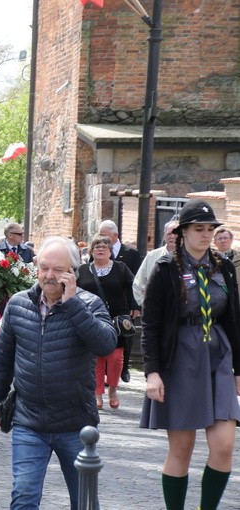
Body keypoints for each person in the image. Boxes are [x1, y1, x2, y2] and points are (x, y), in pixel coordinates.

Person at [0, 236, 117, 510]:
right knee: (23, 498)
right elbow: (2, 358)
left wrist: (72, 305)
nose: (49, 275)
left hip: (75, 423)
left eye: (58, 269)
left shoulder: (89, 304)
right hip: (29, 421)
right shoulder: (19, 304)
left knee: (84, 501)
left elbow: (105, 344)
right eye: (44, 267)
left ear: (73, 272)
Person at [140, 199, 240, 510]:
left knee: (224, 446)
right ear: (183, 232)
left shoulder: (223, 267)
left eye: (211, 229)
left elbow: (234, 317)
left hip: (218, 354)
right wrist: (152, 372)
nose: (207, 234)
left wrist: (238, 368)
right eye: (199, 229)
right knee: (182, 449)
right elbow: (151, 325)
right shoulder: (165, 269)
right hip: (181, 356)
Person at [76, 235, 138, 410]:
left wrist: (135, 306)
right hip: (91, 317)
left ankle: (113, 389)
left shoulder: (121, 268)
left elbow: (134, 287)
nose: (100, 249)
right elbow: (75, 291)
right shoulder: (83, 270)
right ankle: (97, 394)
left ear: (111, 251)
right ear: (91, 251)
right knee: (96, 357)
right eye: (97, 246)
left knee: (116, 358)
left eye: (104, 247)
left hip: (117, 318)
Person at [97, 219, 141, 382]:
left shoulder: (131, 254)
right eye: (100, 235)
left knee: (125, 334)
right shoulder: (97, 251)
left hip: (123, 303)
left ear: (115, 235)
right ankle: (106, 373)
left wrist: (136, 305)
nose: (102, 238)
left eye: (105, 235)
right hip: (102, 302)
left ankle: (123, 369)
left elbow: (136, 282)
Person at [133, 221, 178, 306]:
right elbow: (138, 284)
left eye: (176, 233)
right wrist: (147, 304)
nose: (172, 236)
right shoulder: (152, 256)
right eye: (169, 234)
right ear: (164, 236)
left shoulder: (189, 257)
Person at [213, 226, 240, 294]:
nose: (223, 241)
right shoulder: (210, 260)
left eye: (225, 238)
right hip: (219, 297)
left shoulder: (238, 258)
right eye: (220, 238)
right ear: (215, 242)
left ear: (231, 240)